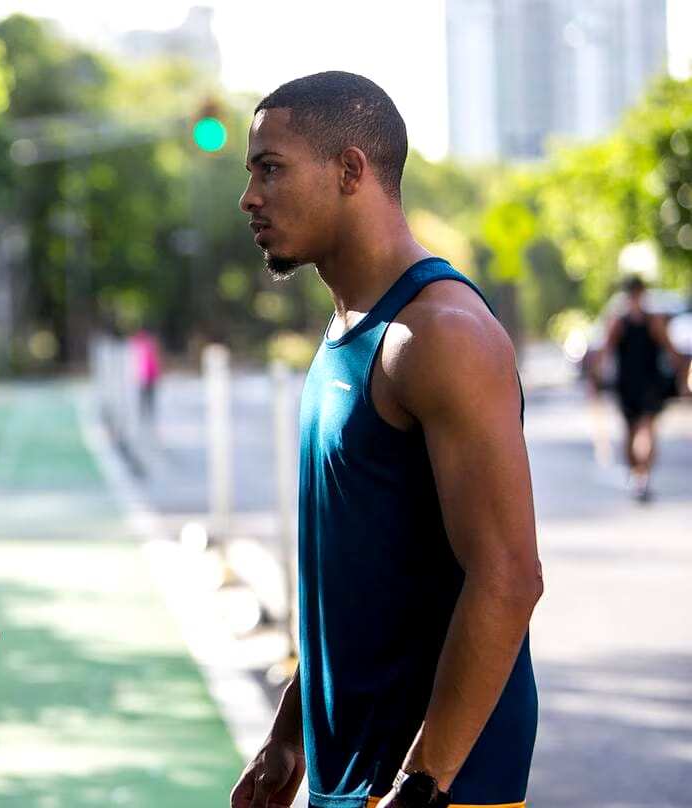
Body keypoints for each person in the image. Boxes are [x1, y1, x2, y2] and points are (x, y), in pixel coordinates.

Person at [231, 72, 543, 808]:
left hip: (435, 785)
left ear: (349, 171)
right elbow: (359, 576)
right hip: (354, 777)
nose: (249, 197)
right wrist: (289, 737)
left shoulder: (438, 335)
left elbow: (509, 577)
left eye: (269, 169)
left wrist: (422, 783)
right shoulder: (349, 328)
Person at [596, 275, 689, 503]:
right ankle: (640, 474)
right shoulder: (635, 321)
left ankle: (640, 474)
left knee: (641, 429)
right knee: (639, 430)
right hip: (638, 384)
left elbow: (605, 353)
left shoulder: (626, 321)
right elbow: (672, 352)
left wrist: (597, 378)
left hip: (638, 384)